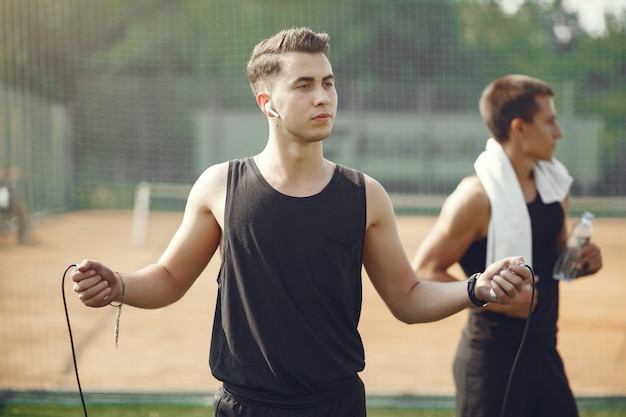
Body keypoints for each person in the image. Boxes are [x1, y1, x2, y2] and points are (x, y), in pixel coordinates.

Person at [72, 28, 531, 417]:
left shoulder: (365, 195)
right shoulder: (220, 186)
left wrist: (476, 288)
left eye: (328, 83)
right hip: (244, 404)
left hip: (337, 403)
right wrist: (119, 285)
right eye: (305, 85)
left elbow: (408, 297)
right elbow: (169, 278)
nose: (323, 97)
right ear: (267, 102)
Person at [412, 74, 603, 417]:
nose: (558, 132)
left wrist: (580, 261)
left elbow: (555, 258)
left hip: (545, 353)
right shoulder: (475, 198)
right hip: (492, 362)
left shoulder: (555, 188)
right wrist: (494, 300)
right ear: (519, 128)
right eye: (550, 121)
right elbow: (424, 271)